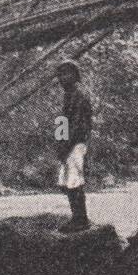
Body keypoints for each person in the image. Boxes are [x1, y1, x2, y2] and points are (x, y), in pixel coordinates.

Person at [54, 60, 92, 232]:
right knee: (65, 180)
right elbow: (62, 122)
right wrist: (59, 144)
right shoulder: (67, 97)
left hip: (77, 143)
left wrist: (66, 145)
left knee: (73, 180)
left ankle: (80, 219)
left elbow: (78, 126)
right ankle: (77, 217)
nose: (63, 78)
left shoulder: (79, 97)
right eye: (61, 74)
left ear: (76, 76)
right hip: (69, 143)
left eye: (67, 74)